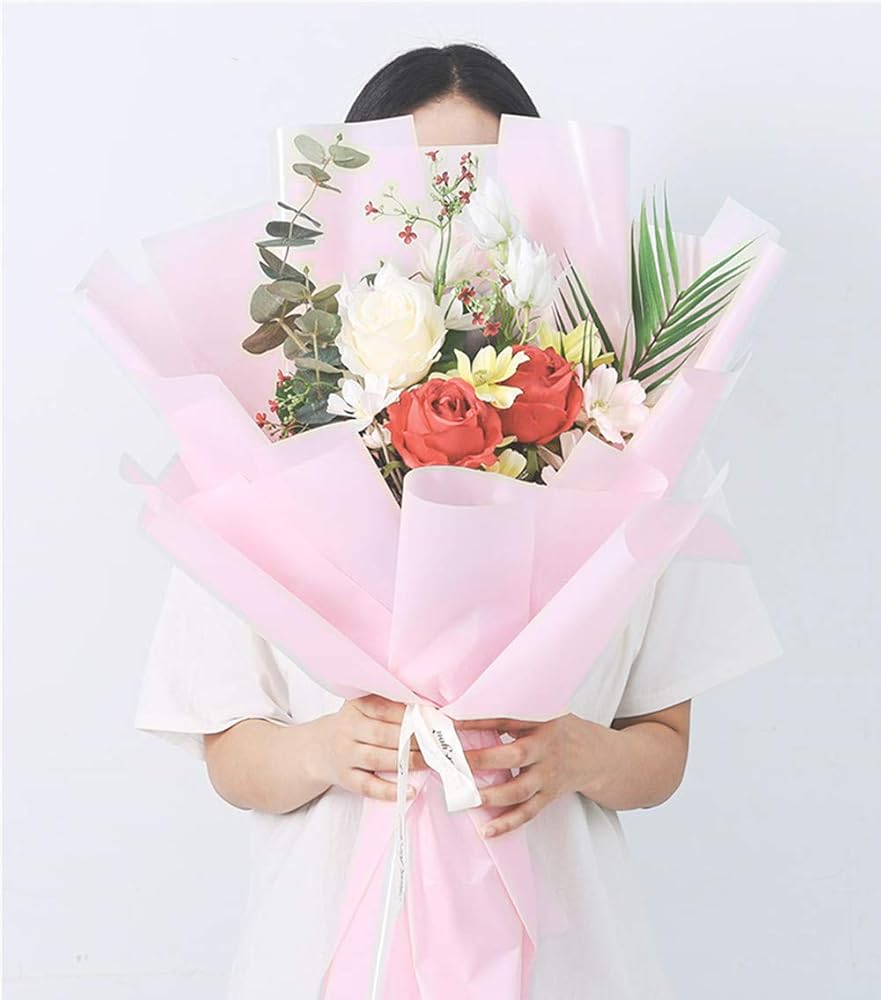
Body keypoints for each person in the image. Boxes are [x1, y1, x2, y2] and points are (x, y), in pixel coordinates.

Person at [135, 43, 781, 999]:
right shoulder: (262, 447)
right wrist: (323, 747)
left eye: (479, 183)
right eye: (416, 180)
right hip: (325, 949)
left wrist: (581, 754)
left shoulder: (630, 439)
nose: (446, 213)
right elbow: (228, 752)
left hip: (564, 958)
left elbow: (662, 749)